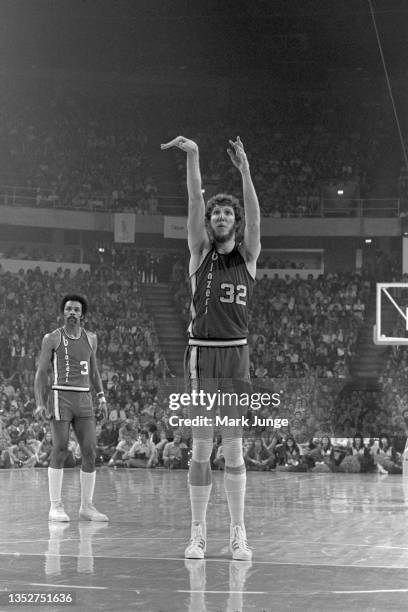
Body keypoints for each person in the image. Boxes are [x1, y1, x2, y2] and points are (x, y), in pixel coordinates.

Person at [161, 135, 261, 560]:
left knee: (235, 448)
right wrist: (196, 156)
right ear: (209, 221)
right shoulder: (199, 253)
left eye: (226, 212)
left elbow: (256, 221)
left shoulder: (247, 255)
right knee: (201, 448)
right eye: (215, 212)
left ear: (234, 223)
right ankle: (197, 532)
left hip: (236, 353)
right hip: (201, 353)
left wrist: (246, 172)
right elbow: (191, 202)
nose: (220, 216)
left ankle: (238, 532)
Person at [34, 294, 109, 522]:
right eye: (68, 309)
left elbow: (94, 371)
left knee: (90, 452)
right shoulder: (52, 338)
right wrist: (39, 403)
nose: (72, 313)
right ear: (63, 313)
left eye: (76, 310)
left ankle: (86, 506)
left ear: (82, 314)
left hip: (84, 398)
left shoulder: (92, 338)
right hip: (60, 396)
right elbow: (41, 373)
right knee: (60, 449)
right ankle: (55, 506)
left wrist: (102, 397)